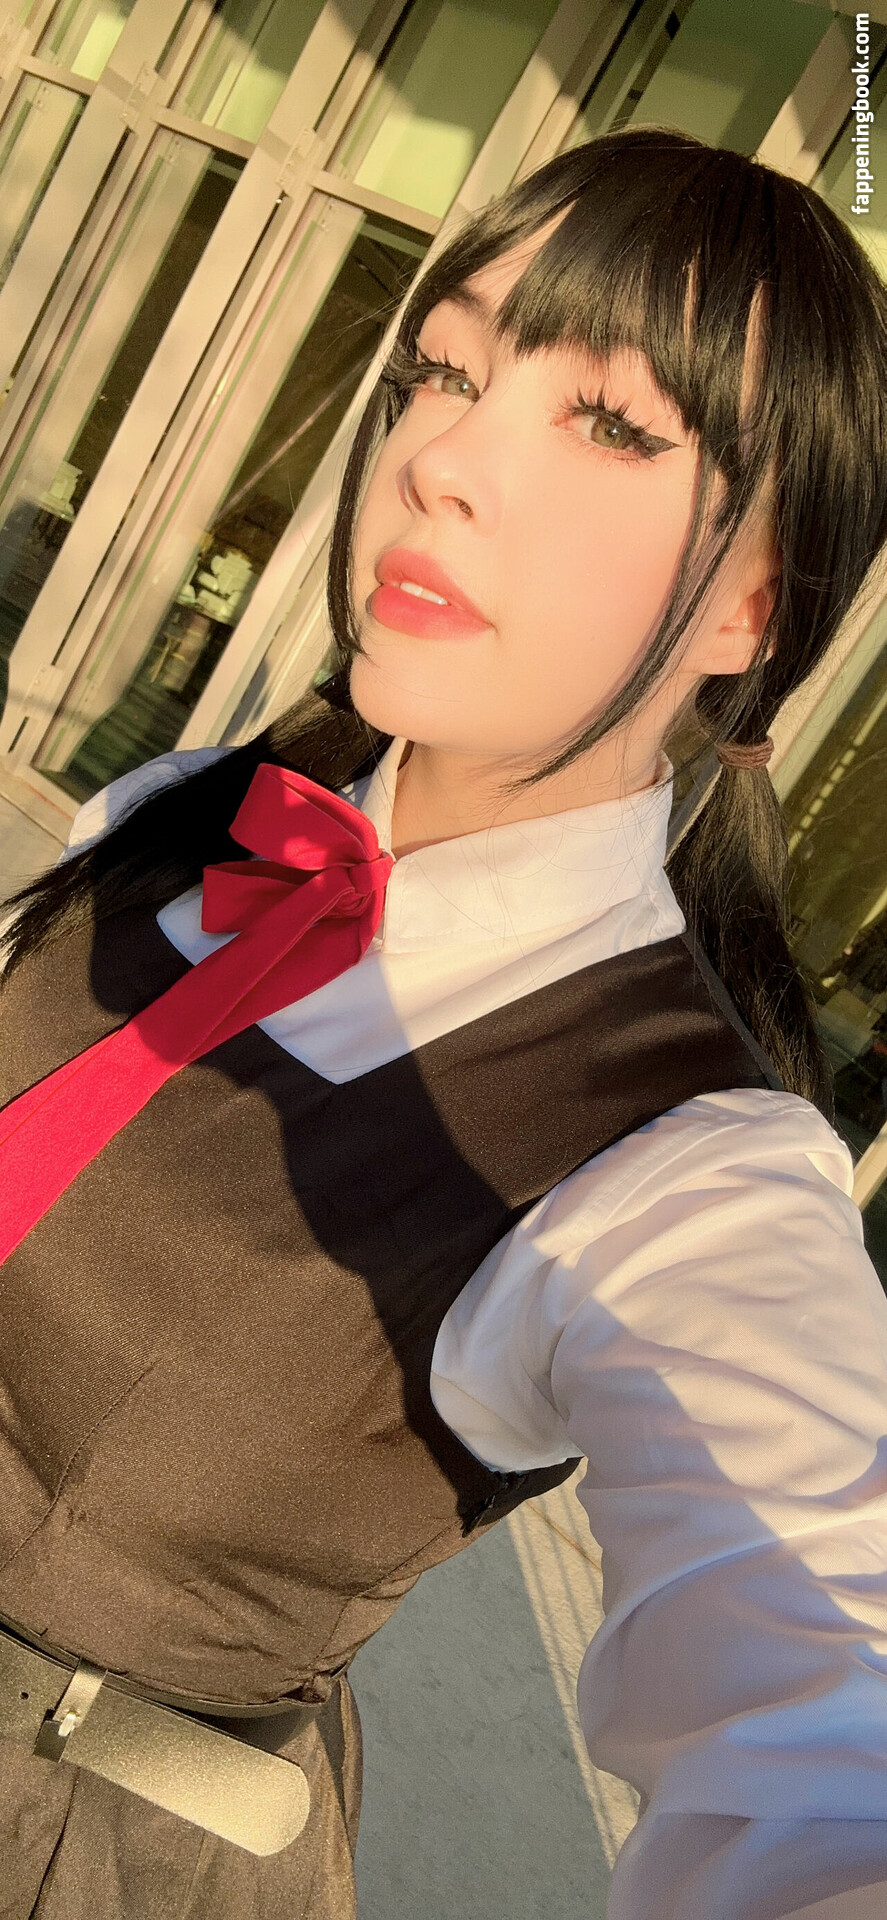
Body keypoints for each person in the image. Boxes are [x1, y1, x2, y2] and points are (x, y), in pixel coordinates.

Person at [0, 124, 886, 1920]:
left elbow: (823, 1710)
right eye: (445, 370)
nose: (442, 459)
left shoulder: (682, 1167)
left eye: (610, 423)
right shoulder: (186, 805)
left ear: (754, 600)